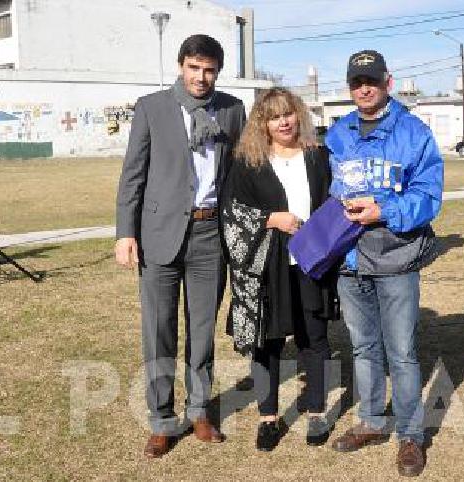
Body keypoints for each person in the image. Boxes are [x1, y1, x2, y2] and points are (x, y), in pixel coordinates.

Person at [115, 34, 247, 459]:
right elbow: (133, 175)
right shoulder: (151, 108)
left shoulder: (231, 110)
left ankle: (200, 411)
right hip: (159, 235)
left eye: (209, 70)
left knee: (203, 331)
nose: (201, 77)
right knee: (159, 332)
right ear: (181, 66)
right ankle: (161, 420)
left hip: (211, 235)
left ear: (217, 73)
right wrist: (125, 232)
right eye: (194, 68)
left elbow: (242, 171)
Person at [324, 50, 444, 477]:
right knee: (363, 347)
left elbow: (429, 197)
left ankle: (411, 436)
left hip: (395, 257)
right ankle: (372, 421)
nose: (364, 88)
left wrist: (384, 210)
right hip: (350, 259)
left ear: (388, 82)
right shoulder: (337, 135)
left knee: (403, 352)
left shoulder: (414, 134)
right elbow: (324, 190)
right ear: (350, 87)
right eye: (357, 82)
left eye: (371, 80)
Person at [221, 87, 339, 451]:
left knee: (314, 337)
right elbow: (231, 212)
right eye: (274, 116)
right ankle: (269, 418)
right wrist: (272, 219)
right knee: (267, 342)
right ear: (263, 123)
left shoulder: (317, 156)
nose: (283, 121)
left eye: (288, 113)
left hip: (310, 262)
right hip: (268, 265)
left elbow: (332, 201)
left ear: (298, 115)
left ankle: (316, 410)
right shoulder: (248, 162)